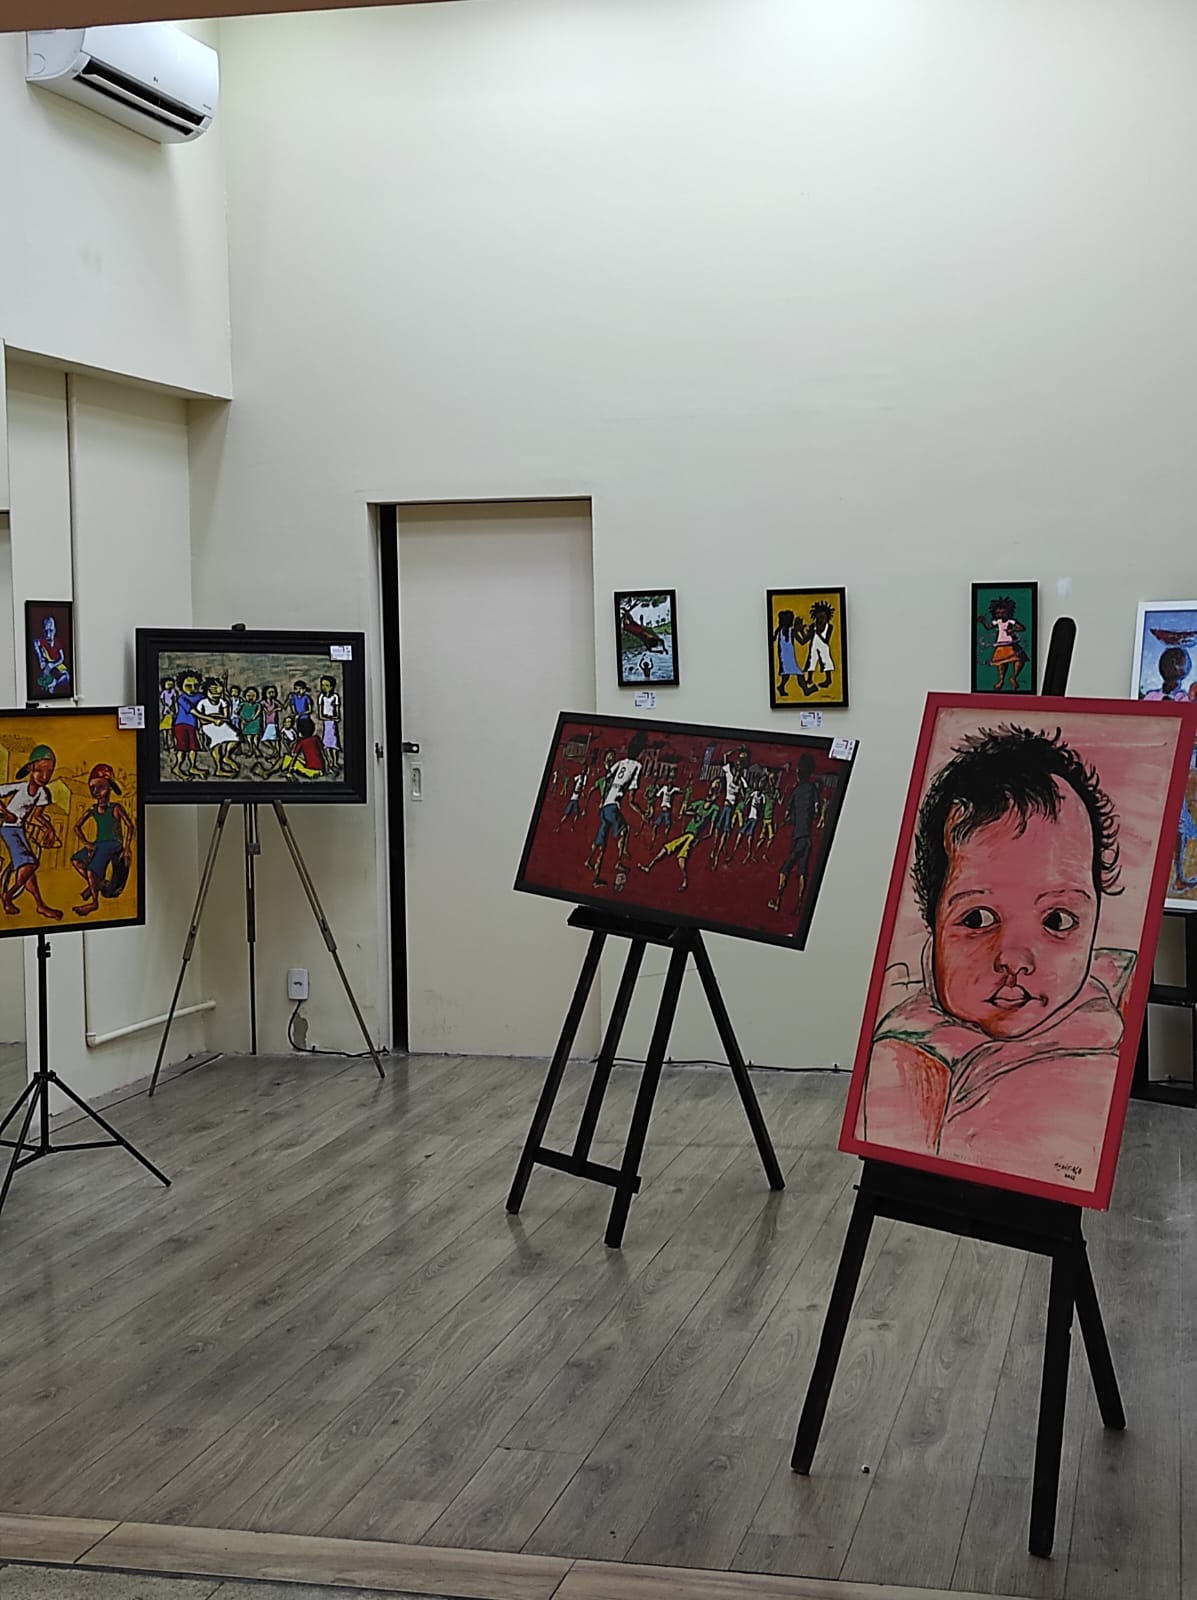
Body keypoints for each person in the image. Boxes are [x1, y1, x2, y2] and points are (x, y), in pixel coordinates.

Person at [859, 726, 1131, 1190]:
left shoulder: (1104, 1031)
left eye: (1058, 920)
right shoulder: (906, 1057)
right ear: (932, 920)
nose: (1014, 958)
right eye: (978, 918)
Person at [0, 745, 62, 920]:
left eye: (49, 772)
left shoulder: (42, 793)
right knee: (29, 864)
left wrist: (49, 828)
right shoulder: (20, 788)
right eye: (40, 770)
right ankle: (8, 896)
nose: (44, 776)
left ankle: (40, 906)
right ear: (30, 768)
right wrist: (6, 813)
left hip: (20, 829)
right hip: (8, 828)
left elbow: (37, 815)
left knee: (29, 873)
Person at [71, 764, 135, 916]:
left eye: (100, 787)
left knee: (91, 870)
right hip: (99, 844)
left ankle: (94, 902)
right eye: (92, 788)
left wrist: (127, 847)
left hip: (113, 843)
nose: (96, 792)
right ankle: (97, 884)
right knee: (76, 861)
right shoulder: (92, 810)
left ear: (109, 787)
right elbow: (77, 827)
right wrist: (86, 843)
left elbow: (130, 826)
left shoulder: (115, 808)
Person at [585, 731, 647, 887]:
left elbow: (607, 778)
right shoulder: (637, 766)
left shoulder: (620, 762)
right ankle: (619, 861)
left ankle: (594, 872)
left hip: (606, 805)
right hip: (613, 806)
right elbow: (631, 799)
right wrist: (641, 813)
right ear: (640, 751)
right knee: (625, 830)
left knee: (602, 842)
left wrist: (603, 798)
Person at [640, 796, 719, 893]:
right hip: (686, 833)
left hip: (692, 836)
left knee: (681, 856)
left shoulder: (714, 809)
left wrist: (699, 839)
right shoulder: (699, 803)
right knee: (668, 847)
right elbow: (686, 811)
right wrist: (694, 814)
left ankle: (684, 880)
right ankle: (649, 866)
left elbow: (710, 832)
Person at [769, 754, 818, 911]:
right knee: (802, 870)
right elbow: (816, 811)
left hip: (798, 836)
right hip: (807, 837)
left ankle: (777, 900)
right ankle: (799, 904)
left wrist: (789, 820)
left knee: (786, 868)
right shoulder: (813, 789)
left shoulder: (796, 791)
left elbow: (787, 813)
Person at [976, 596, 1029, 691]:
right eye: (998, 613)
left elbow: (1022, 628)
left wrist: (1013, 630)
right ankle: (1001, 680)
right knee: (1001, 664)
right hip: (1001, 645)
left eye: (1003, 612)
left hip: (1011, 644)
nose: (1000, 614)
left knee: (1019, 660)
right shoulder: (998, 621)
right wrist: (983, 622)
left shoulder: (1011, 621)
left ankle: (1014, 677)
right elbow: (989, 627)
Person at [710, 747, 750, 870]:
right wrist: (736, 749)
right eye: (737, 768)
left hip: (731, 809)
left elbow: (745, 795)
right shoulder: (729, 775)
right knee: (718, 828)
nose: (738, 771)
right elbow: (725, 756)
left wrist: (742, 793)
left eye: (740, 769)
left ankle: (717, 855)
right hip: (725, 806)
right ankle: (714, 850)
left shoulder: (742, 781)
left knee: (725, 832)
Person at [195, 677, 241, 777]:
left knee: (236, 738)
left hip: (222, 724)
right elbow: (202, 720)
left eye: (218, 691)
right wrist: (215, 718)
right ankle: (219, 769)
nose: (215, 694)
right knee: (217, 742)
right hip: (208, 726)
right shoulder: (202, 703)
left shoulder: (222, 702)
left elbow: (226, 717)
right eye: (212, 691)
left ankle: (227, 756)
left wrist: (212, 717)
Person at [171, 670, 206, 780]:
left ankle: (192, 766)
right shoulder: (182, 698)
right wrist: (208, 718)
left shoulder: (200, 696)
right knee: (182, 748)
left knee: (193, 747)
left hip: (193, 726)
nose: (192, 688)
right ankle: (177, 767)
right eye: (188, 686)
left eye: (195, 685)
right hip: (181, 725)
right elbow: (193, 711)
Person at [800, 601, 836, 696]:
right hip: (814, 646)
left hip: (824, 647)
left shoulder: (829, 627)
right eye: (818, 617)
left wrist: (818, 632)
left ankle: (828, 680)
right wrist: (802, 631)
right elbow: (806, 638)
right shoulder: (813, 626)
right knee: (811, 661)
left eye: (823, 617)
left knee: (826, 661)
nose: (820, 620)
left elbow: (826, 640)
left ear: (827, 618)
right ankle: (809, 678)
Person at [31, 614, 70, 697]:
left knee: (66, 676)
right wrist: (40, 656)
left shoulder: (57, 643)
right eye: (46, 631)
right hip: (47, 664)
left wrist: (52, 665)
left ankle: (54, 684)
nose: (48, 635)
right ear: (43, 631)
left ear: (54, 631)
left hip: (57, 663)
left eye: (51, 631)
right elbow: (35, 642)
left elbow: (62, 658)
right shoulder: (43, 640)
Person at [281, 715, 326, 780]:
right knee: (292, 758)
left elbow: (294, 757)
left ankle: (285, 770)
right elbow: (323, 752)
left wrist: (289, 772)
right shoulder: (316, 738)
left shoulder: (302, 742)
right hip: (321, 770)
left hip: (310, 771)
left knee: (289, 759)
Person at [773, 609, 801, 699]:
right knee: (797, 674)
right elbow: (802, 641)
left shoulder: (780, 630)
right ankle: (806, 689)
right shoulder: (790, 631)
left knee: (787, 674)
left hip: (785, 657)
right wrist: (807, 632)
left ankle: (781, 687)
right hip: (787, 658)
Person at [318, 675, 341, 774]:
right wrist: (326, 717)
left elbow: (337, 711)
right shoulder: (321, 697)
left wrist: (335, 717)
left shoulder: (335, 696)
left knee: (334, 743)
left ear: (331, 687)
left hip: (332, 722)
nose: (324, 687)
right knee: (326, 743)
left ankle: (335, 762)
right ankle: (330, 762)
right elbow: (320, 714)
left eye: (326, 685)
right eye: (322, 685)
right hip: (326, 722)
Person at [238, 686, 264, 756]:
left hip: (255, 723)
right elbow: (237, 712)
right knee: (248, 737)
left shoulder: (258, 705)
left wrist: (252, 719)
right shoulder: (243, 704)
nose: (251, 697)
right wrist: (242, 719)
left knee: (255, 737)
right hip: (246, 724)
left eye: (253, 696)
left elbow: (258, 713)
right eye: (249, 696)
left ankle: (256, 750)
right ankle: (251, 749)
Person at [159, 678, 177, 753]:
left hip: (171, 711)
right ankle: (166, 744)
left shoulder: (173, 691)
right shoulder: (164, 692)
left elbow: (174, 700)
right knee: (164, 729)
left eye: (171, 684)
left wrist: (173, 709)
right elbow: (162, 700)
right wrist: (166, 705)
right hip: (166, 711)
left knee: (170, 729)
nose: (170, 686)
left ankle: (172, 744)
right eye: (168, 684)